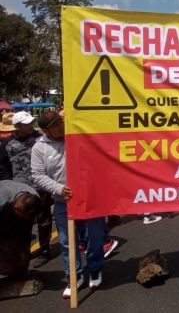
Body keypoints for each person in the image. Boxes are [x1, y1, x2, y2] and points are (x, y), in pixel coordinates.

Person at [31, 110, 107, 298]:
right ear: (45, 131)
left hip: (90, 198)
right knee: (66, 242)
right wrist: (58, 188)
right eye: (55, 126)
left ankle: (96, 269)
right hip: (63, 201)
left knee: (94, 237)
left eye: (60, 122)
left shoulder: (78, 137)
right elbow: (38, 175)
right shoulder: (39, 148)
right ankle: (74, 276)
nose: (60, 127)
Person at [0, 111, 53, 267]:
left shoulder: (40, 140)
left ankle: (44, 250)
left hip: (41, 187)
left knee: (44, 220)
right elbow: (3, 166)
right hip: (18, 193)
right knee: (22, 223)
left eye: (31, 123)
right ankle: (23, 252)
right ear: (17, 127)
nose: (30, 126)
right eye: (26, 124)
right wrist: (9, 184)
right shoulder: (7, 144)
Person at [0, 180, 42, 278]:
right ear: (16, 208)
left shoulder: (34, 197)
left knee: (21, 241)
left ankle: (19, 272)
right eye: (25, 216)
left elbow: (26, 232)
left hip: (11, 205)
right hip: (3, 206)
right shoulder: (2, 201)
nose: (27, 218)